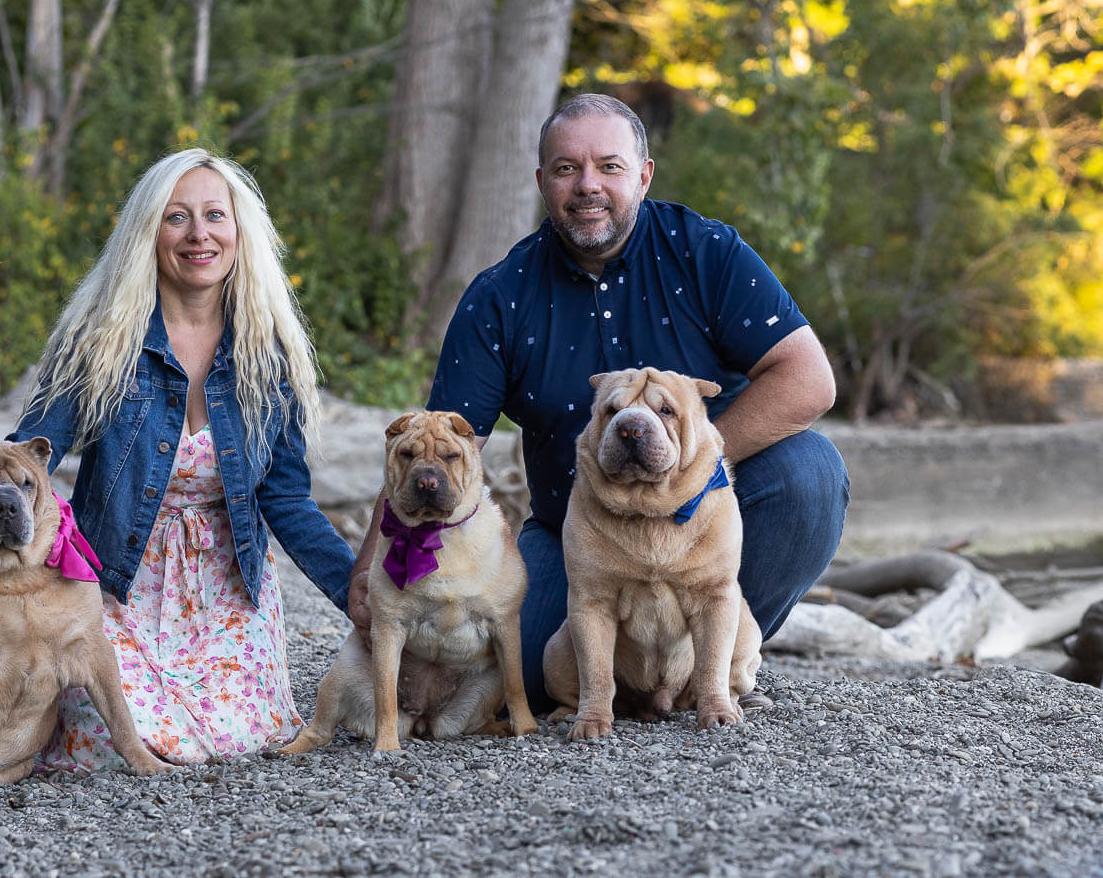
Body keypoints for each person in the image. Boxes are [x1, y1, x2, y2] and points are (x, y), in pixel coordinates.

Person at [348, 93, 849, 708]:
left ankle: (708, 669)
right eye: (567, 169)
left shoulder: (707, 253)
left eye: (609, 167)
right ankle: (619, 684)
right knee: (519, 670)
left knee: (811, 476)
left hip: (710, 515)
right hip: (577, 537)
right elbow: (438, 445)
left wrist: (698, 470)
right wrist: (372, 567)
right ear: (541, 182)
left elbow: (809, 379)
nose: (588, 186)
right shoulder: (500, 296)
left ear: (643, 176)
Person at [0, 148, 354, 765]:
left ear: (239, 231)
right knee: (112, 745)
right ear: (148, 233)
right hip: (117, 586)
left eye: (214, 216)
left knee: (235, 741)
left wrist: (359, 587)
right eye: (176, 218)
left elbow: (285, 498)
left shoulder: (267, 352)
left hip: (228, 596)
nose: (199, 234)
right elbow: (24, 457)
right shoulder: (102, 340)